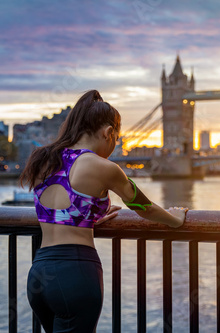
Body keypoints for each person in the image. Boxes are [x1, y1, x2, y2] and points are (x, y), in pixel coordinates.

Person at [19, 90, 188, 333]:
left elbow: (60, 211)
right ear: (108, 132)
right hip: (76, 274)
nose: (114, 144)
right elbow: (144, 207)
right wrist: (175, 219)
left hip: (39, 274)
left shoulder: (43, 159)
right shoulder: (104, 167)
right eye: (116, 138)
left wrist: (92, 218)